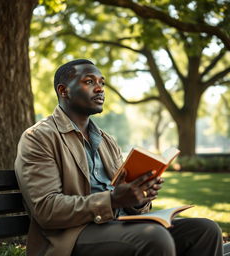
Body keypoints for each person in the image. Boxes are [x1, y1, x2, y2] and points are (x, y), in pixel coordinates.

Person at [15, 59, 223, 256]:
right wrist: (112, 199)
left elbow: (124, 199)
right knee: (154, 238)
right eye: (89, 82)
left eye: (101, 83)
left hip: (118, 224)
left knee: (206, 230)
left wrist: (139, 196)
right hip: (71, 235)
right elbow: (46, 210)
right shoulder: (39, 138)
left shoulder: (106, 140)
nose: (99, 88)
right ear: (63, 91)